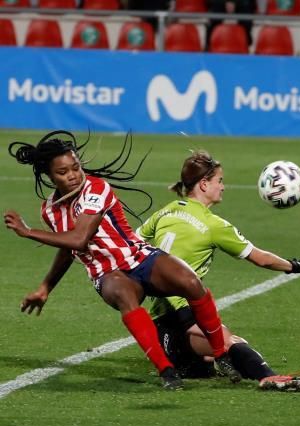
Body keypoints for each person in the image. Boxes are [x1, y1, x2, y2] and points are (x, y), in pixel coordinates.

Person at [3, 130, 238, 391]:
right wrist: (46, 287)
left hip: (138, 257)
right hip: (107, 274)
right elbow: (69, 247)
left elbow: (80, 238)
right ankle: (168, 372)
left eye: (75, 167)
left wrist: (27, 232)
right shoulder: (50, 210)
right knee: (125, 296)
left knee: (191, 282)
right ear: (49, 176)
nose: (72, 175)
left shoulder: (96, 188)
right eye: (63, 172)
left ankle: (221, 354)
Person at [135, 150, 300, 392]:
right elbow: (261, 258)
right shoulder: (214, 225)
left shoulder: (166, 211)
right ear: (203, 184)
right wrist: (295, 266)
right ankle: (269, 377)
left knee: (204, 366)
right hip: (182, 314)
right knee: (231, 343)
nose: (223, 187)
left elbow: (133, 240)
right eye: (219, 181)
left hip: (160, 325)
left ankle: (189, 363)